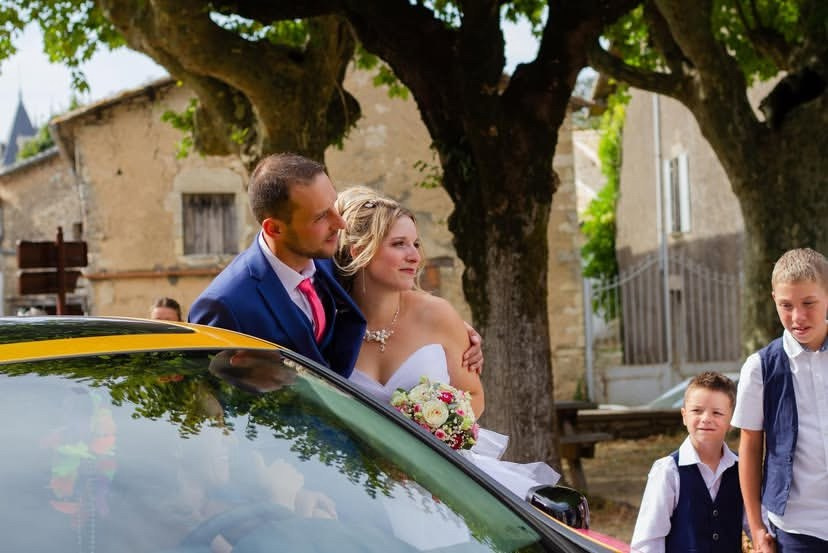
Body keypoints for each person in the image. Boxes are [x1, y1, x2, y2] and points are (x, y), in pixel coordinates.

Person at [333, 186, 559, 499]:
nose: (414, 256)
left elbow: (474, 396)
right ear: (359, 251)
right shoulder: (326, 326)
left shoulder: (437, 315)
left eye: (415, 243)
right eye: (399, 244)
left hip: (439, 481)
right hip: (359, 485)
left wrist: (438, 432)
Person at [188, 153, 482, 378]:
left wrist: (455, 332)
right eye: (320, 217)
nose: (339, 223)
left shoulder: (334, 264)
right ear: (275, 228)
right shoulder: (224, 305)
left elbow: (386, 296)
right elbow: (210, 406)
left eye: (334, 206)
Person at [732, 247, 828, 553]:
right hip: (797, 529)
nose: (797, 317)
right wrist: (756, 526)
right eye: (786, 305)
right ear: (774, 299)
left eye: (809, 303)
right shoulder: (760, 368)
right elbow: (749, 447)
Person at [630, 371, 743, 553]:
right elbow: (649, 541)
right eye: (697, 411)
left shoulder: (742, 469)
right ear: (684, 415)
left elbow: (758, 528)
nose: (706, 418)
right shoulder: (668, 471)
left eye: (717, 413)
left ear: (732, 420)